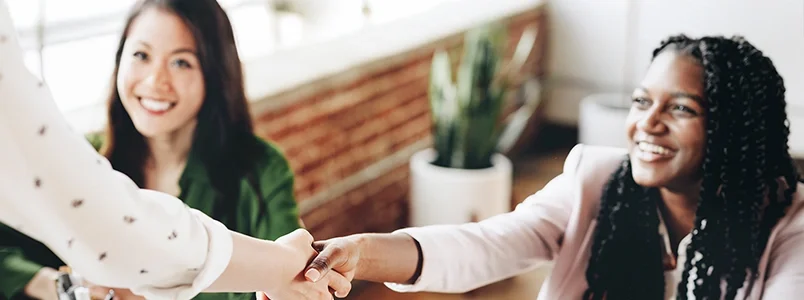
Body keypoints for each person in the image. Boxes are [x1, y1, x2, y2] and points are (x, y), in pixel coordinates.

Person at [302, 35, 804, 299]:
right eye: (640, 101)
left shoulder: (789, 229)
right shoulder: (596, 177)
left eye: (680, 109)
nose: (647, 124)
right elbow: (488, 244)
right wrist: (361, 252)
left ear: (735, 129)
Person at [0, 1, 350, 299]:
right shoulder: (82, 159)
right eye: (141, 55)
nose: (155, 81)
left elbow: (299, 284)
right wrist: (57, 284)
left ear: (215, 74)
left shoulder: (261, 169)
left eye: (181, 62)